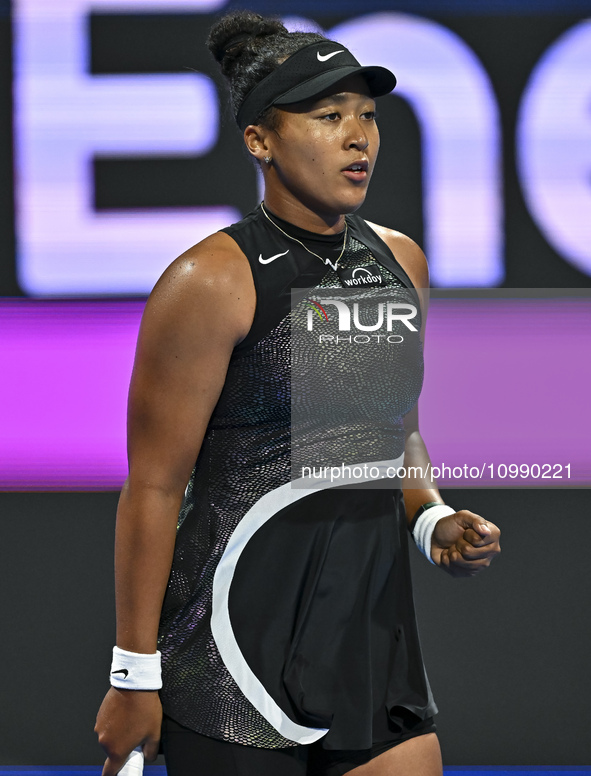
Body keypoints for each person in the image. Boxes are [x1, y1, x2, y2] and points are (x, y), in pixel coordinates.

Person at [95, 11, 501, 776]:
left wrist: (431, 519)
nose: (358, 136)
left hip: (368, 637)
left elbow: (390, 428)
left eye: (366, 116)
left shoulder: (399, 260)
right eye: (326, 116)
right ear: (259, 140)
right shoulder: (210, 281)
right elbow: (153, 487)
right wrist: (133, 673)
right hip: (230, 651)